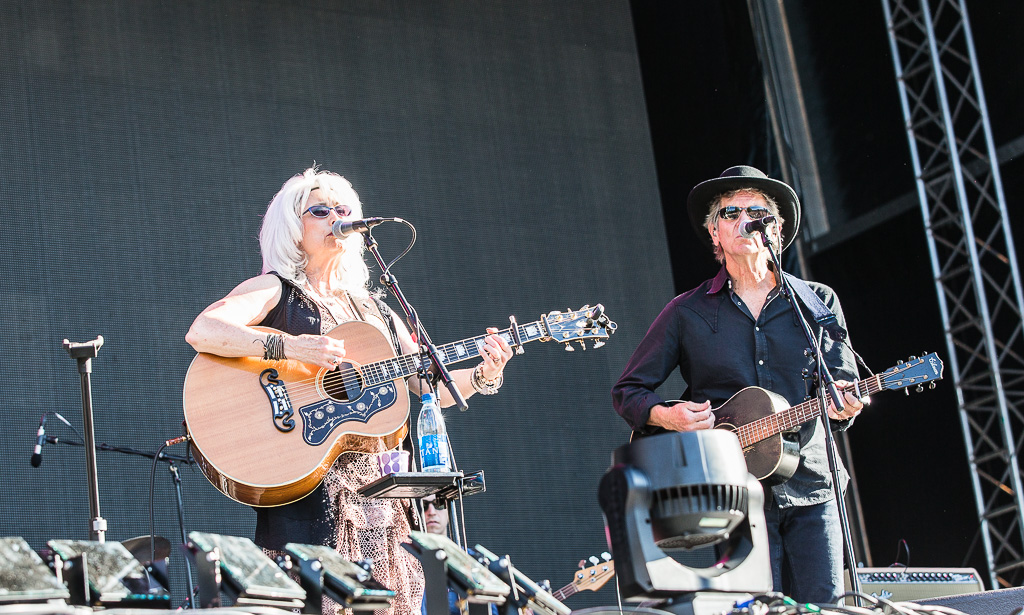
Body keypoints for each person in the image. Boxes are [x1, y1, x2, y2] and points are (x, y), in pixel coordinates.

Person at [185, 167, 514, 615]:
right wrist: (290, 346)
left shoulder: (376, 310)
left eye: (344, 210)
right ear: (293, 228)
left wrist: (482, 374)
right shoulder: (276, 291)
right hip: (308, 493)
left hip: (379, 498)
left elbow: (425, 383)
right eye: (319, 211)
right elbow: (205, 330)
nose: (335, 217)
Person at [611, 165, 865, 605]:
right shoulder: (686, 312)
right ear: (714, 233)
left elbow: (842, 385)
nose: (745, 218)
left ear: (777, 228)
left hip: (814, 485)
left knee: (825, 609)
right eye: (731, 212)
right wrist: (667, 415)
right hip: (735, 498)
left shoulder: (817, 302)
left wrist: (845, 404)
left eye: (758, 211)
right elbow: (629, 390)